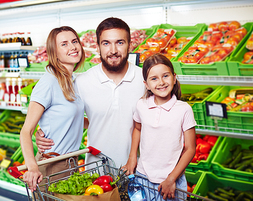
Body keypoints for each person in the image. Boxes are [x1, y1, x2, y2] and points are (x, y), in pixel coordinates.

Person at [35, 17, 145, 168]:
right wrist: (43, 132)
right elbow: (64, 113)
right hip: (96, 168)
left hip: (137, 168)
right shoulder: (81, 82)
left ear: (130, 46)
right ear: (98, 47)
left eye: (120, 42)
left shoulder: (145, 80)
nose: (113, 50)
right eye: (106, 43)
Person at [20, 26, 86, 192]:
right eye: (64, 44)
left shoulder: (71, 81)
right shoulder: (48, 83)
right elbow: (26, 131)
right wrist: (32, 167)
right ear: (54, 52)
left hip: (70, 163)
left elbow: (72, 120)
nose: (72, 47)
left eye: (74, 41)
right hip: (52, 167)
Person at [122, 53, 196, 201]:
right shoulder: (141, 105)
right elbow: (137, 128)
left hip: (171, 179)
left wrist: (171, 179)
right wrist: (132, 157)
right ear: (147, 85)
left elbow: (190, 149)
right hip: (143, 175)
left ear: (174, 78)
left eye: (165, 76)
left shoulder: (184, 109)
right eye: (154, 78)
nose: (161, 82)